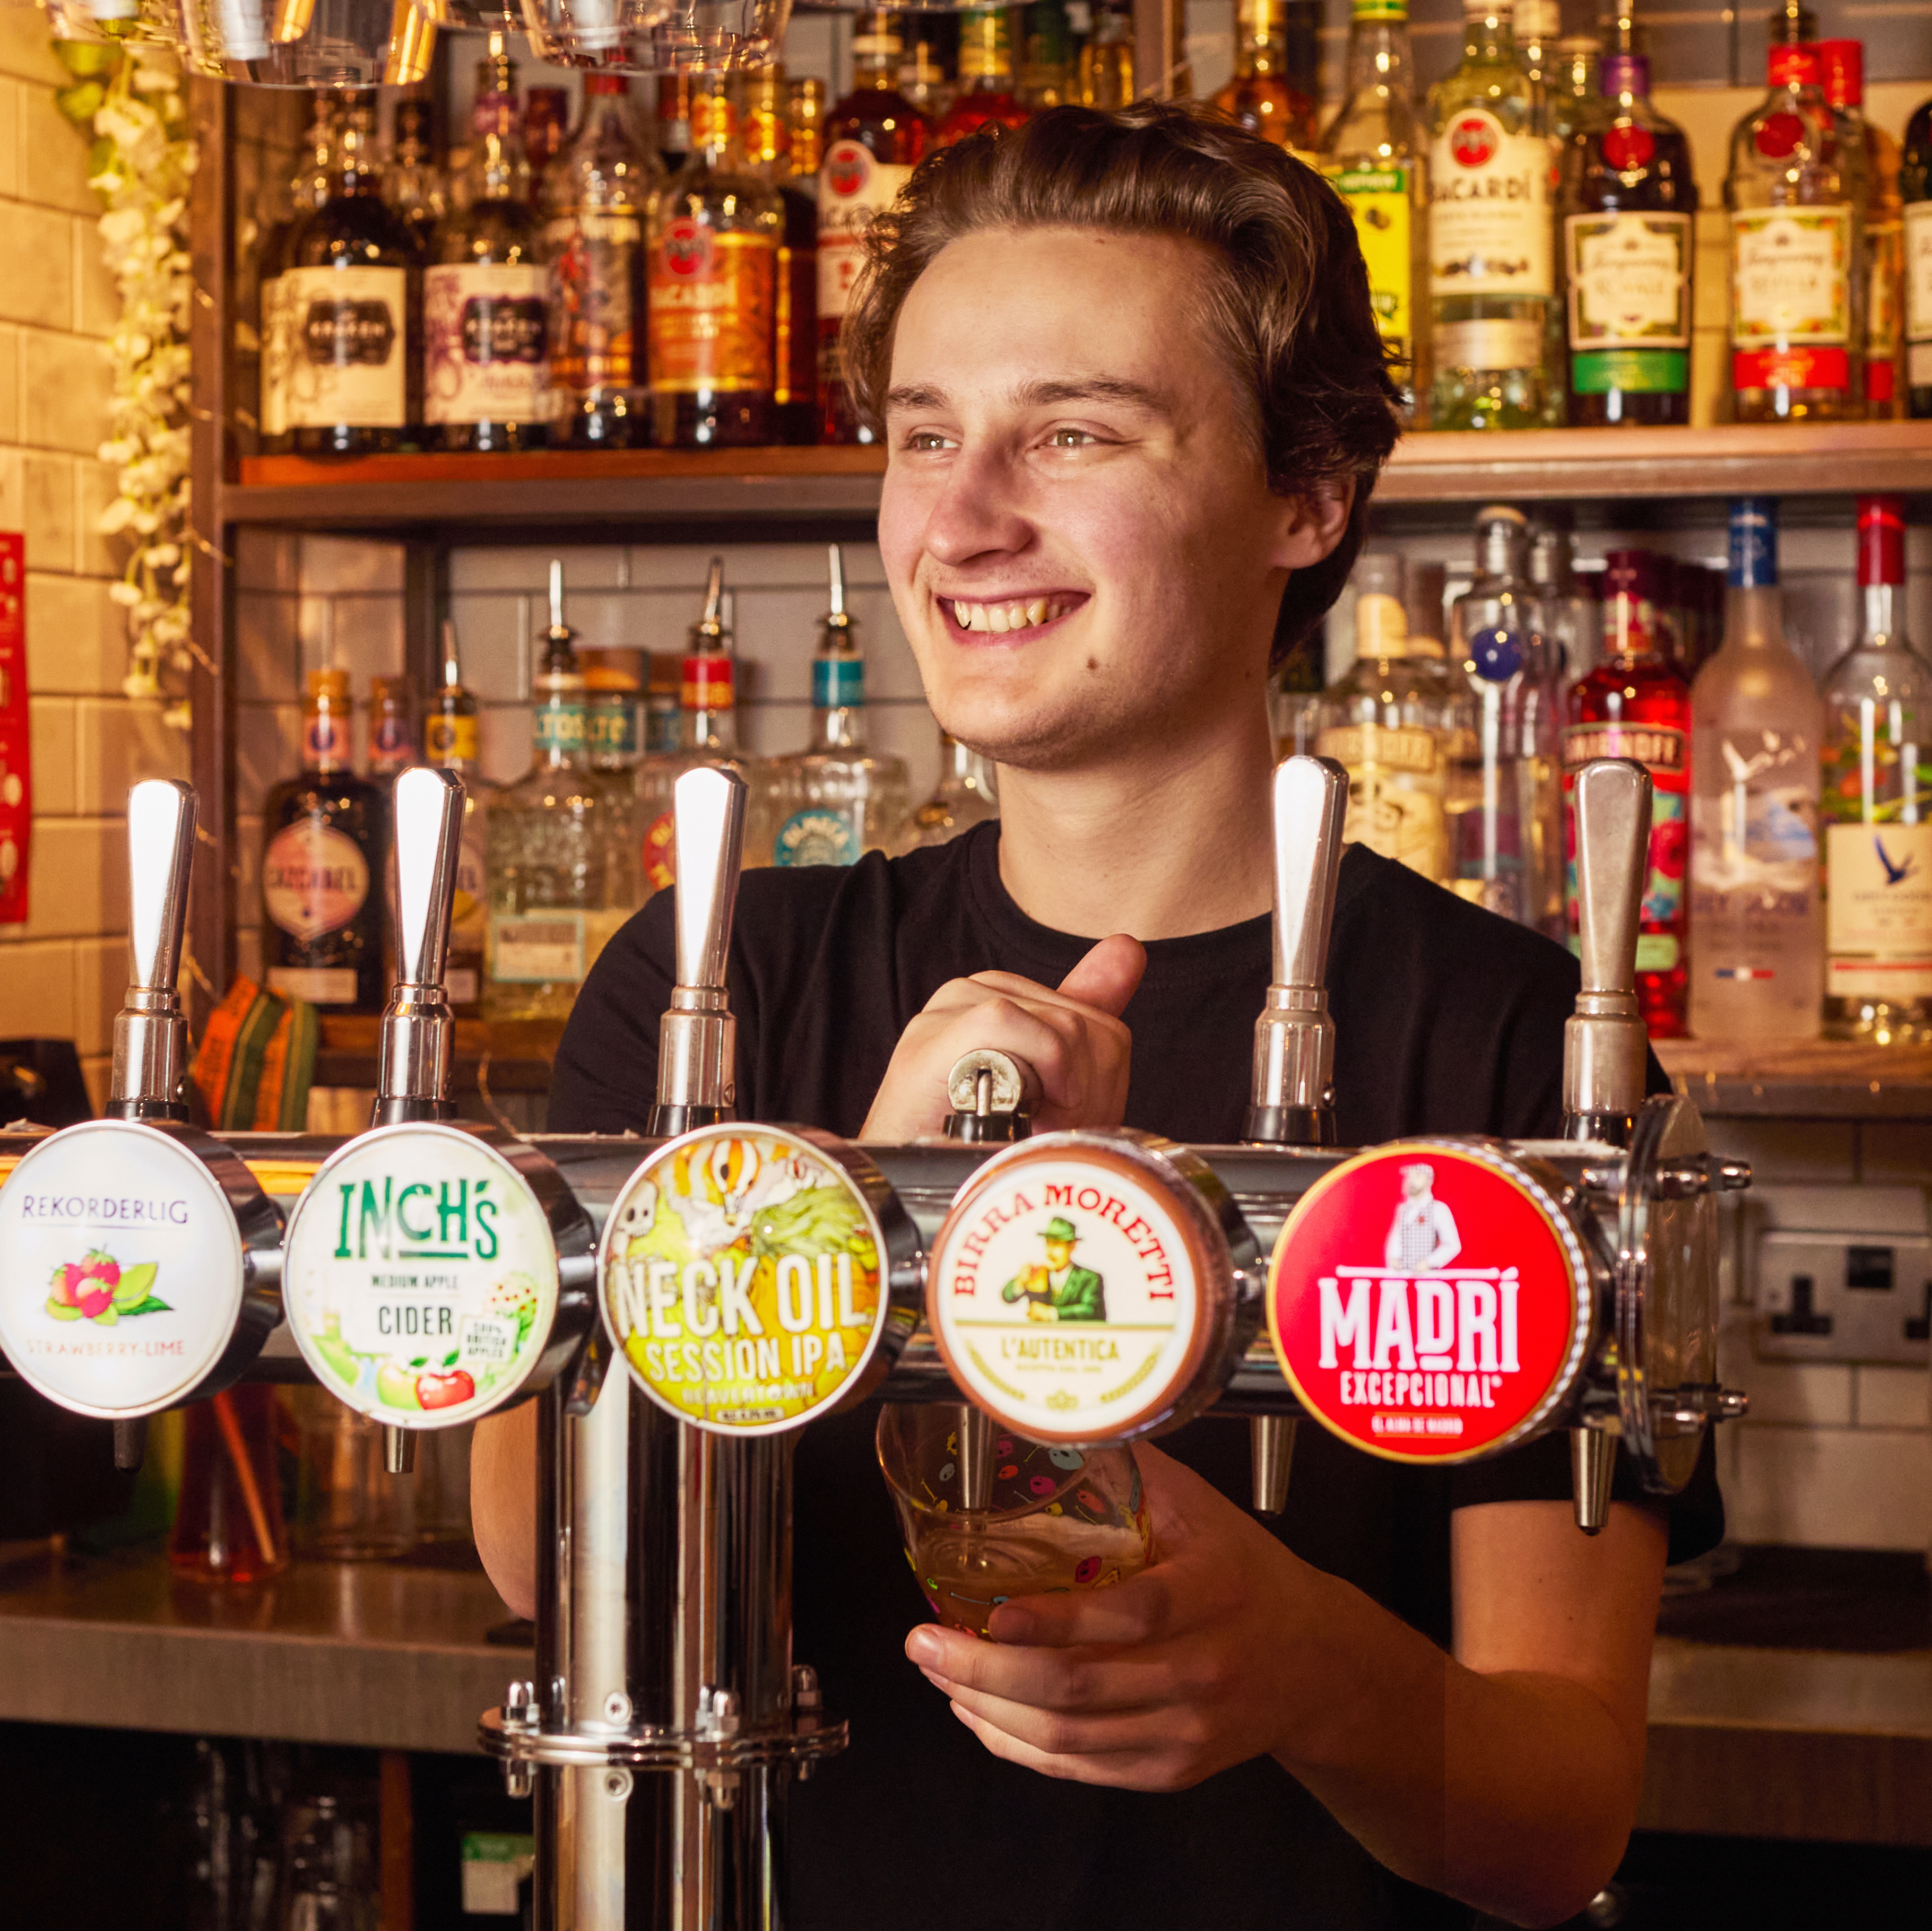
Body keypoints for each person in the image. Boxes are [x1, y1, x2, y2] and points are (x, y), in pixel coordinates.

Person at [472, 101, 1721, 1930]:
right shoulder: (715, 981)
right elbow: (547, 1567)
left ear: (1307, 497)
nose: (965, 520)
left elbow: (1551, 1825)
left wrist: (1307, 1668)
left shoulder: (1511, 1040)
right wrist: (851, 1207)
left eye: (1070, 432)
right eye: (923, 437)